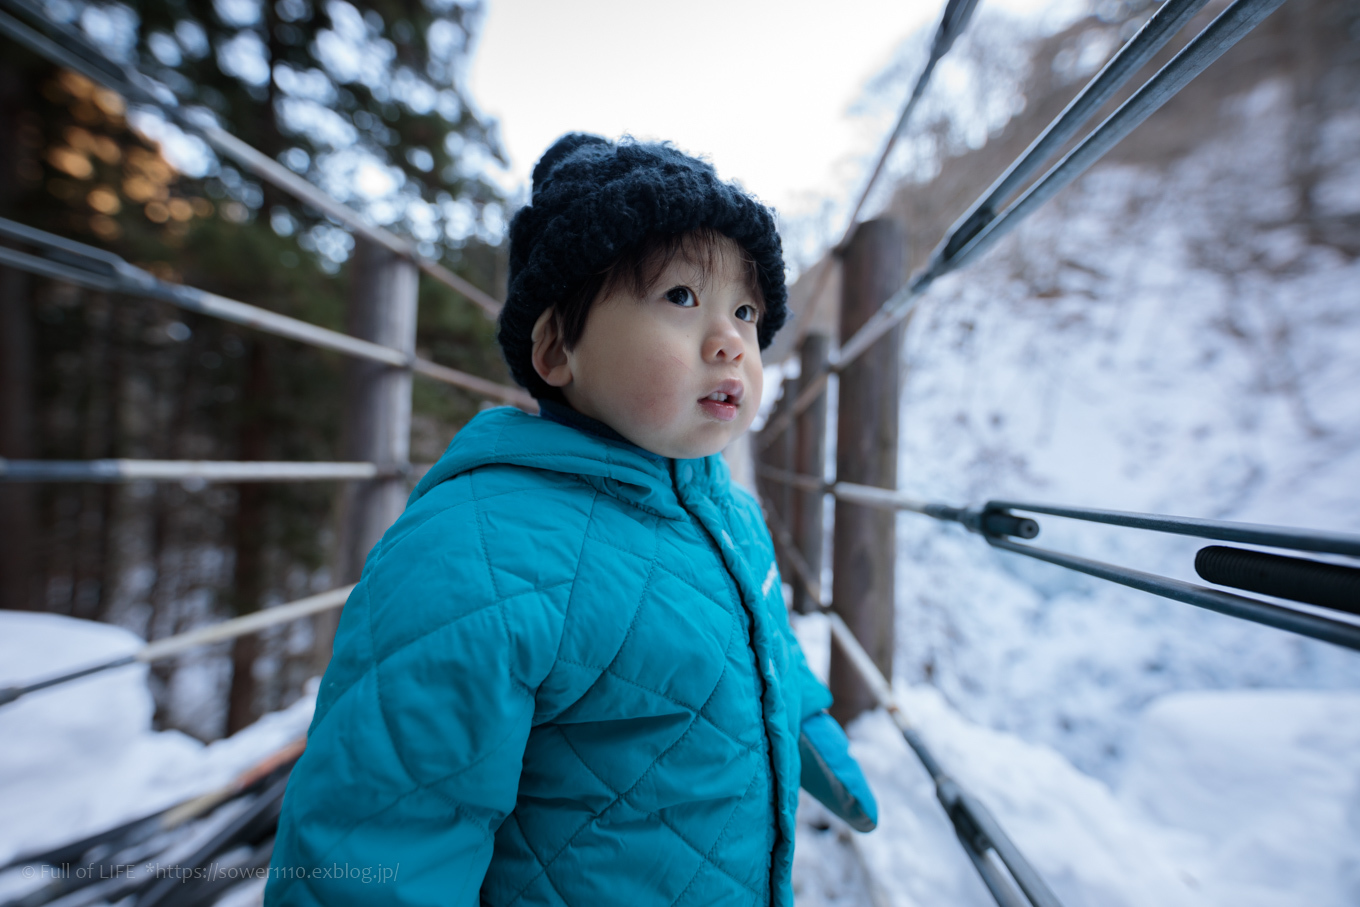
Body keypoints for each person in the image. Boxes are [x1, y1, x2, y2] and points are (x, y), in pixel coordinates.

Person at [265, 134, 877, 907]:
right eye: (681, 297)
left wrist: (807, 719)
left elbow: (763, 637)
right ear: (556, 348)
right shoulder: (477, 554)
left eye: (747, 310)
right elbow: (385, 831)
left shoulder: (727, 510)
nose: (730, 341)